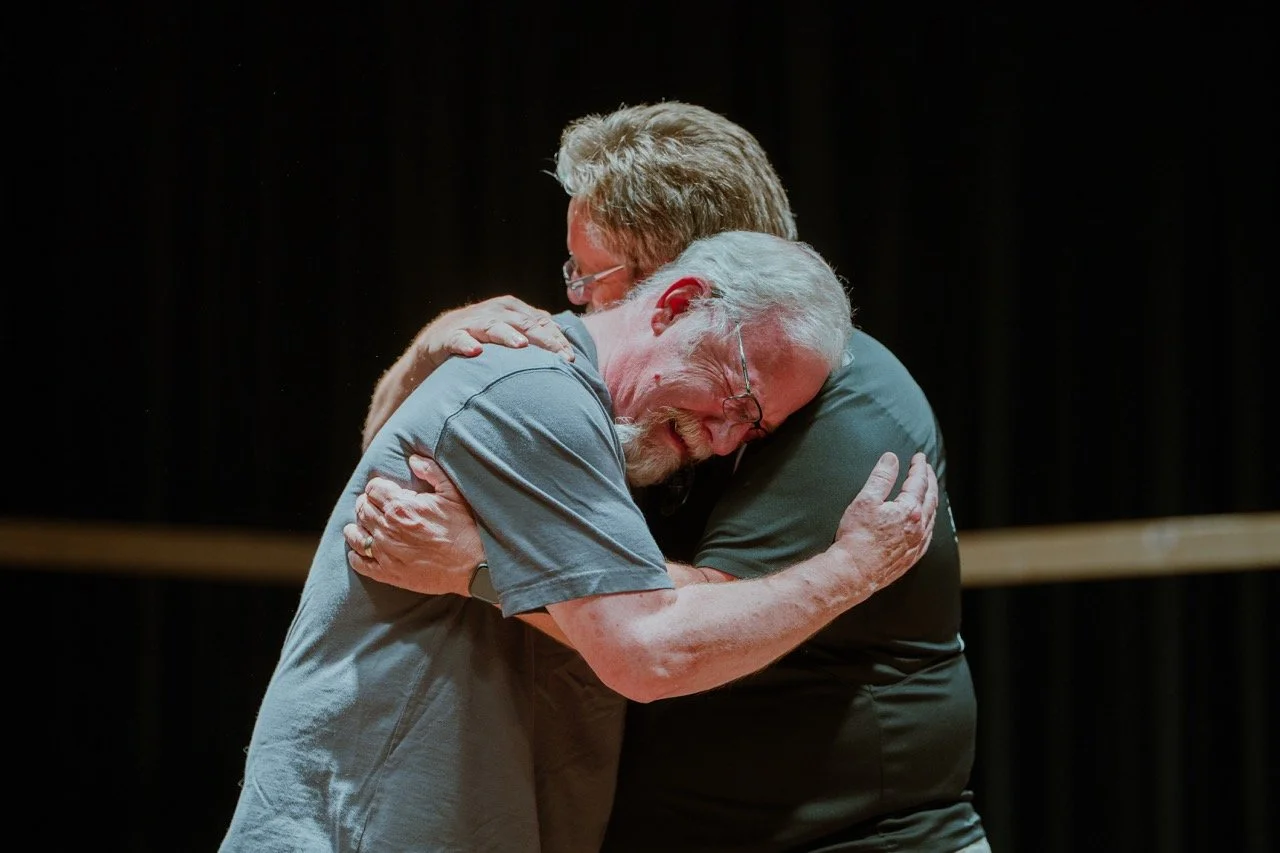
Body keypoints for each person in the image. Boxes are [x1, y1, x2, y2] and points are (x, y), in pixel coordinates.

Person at [352, 102, 989, 852]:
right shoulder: (645, 383)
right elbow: (387, 476)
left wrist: (482, 563)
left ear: (680, 284)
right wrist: (430, 351)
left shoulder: (844, 409)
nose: (578, 300)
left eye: (595, 275)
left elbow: (670, 628)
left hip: (855, 835)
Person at [220, 229, 940, 853]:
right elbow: (649, 651)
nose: (723, 441)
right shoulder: (538, 393)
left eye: (754, 429)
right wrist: (853, 568)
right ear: (676, 302)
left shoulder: (605, 431)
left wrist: (478, 564)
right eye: (738, 397)